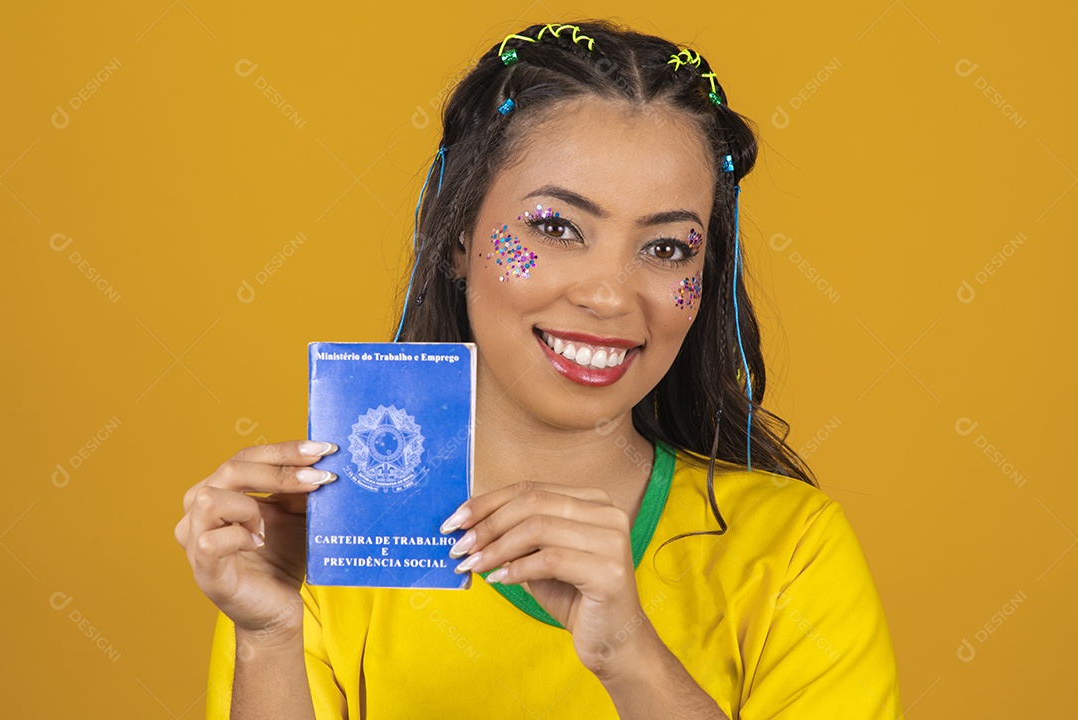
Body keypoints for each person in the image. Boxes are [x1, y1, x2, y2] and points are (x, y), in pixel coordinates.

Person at [175, 19, 903, 719]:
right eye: (556, 228)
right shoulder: (331, 539)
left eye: (669, 248)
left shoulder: (794, 552)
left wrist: (630, 654)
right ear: (457, 237)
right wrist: (268, 636)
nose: (610, 293)